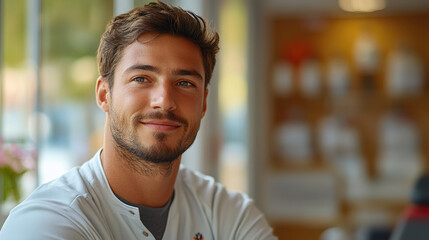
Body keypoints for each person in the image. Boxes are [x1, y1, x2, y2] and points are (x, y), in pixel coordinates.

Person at [0, 1, 277, 239]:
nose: (165, 100)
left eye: (184, 82)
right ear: (104, 95)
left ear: (204, 103)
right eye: (141, 79)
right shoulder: (46, 222)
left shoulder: (228, 214)